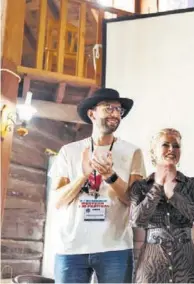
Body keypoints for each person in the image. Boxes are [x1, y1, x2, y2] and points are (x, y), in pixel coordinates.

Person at [48, 88, 146, 283]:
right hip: (71, 248)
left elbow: (133, 200)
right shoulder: (69, 152)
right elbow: (58, 201)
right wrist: (82, 176)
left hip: (115, 248)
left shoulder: (133, 151)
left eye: (119, 110)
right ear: (91, 113)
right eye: (109, 108)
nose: (115, 113)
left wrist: (109, 175)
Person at [129, 128, 194, 283]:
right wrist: (158, 186)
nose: (172, 149)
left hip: (185, 265)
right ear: (153, 151)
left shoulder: (193, 184)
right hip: (151, 265)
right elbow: (136, 219)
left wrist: (173, 196)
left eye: (176, 145)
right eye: (166, 145)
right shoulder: (141, 186)